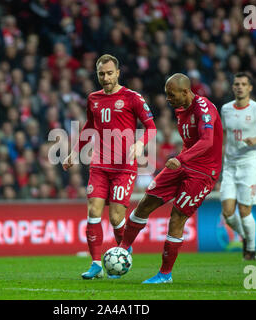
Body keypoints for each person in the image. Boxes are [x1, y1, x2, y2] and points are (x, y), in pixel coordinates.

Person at [119, 73, 223, 284]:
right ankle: (123, 249)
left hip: (203, 172)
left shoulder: (203, 108)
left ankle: (165, 274)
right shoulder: (180, 109)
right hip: (184, 164)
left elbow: (207, 141)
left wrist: (181, 158)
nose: (168, 99)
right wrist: (183, 159)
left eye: (171, 94)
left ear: (186, 91)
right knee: (145, 202)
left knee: (177, 217)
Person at [63, 54, 157, 279]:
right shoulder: (93, 99)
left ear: (117, 73)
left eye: (109, 73)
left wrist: (139, 144)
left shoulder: (132, 97)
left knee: (116, 217)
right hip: (99, 165)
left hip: (124, 168)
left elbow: (151, 127)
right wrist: (74, 153)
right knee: (93, 211)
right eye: (101, 74)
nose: (105, 78)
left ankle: (123, 247)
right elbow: (89, 128)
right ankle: (96, 264)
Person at [220, 72, 256, 260]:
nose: (239, 87)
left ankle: (251, 249)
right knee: (228, 213)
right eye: (236, 83)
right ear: (232, 87)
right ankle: (246, 235)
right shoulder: (226, 109)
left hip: (250, 164)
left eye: (243, 84)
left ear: (250, 88)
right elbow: (222, 134)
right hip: (230, 165)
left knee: (245, 210)